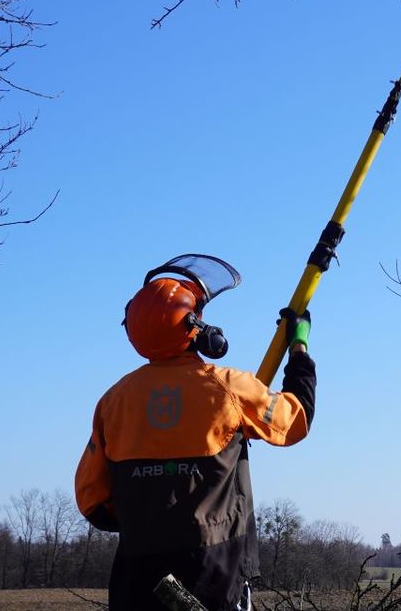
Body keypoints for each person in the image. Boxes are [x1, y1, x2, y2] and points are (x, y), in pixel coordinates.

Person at [75, 254, 316, 611]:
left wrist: (149, 518)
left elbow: (91, 500)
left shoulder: (113, 402)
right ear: (195, 329)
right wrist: (299, 347)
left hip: (136, 586)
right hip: (216, 581)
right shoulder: (230, 388)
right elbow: (296, 419)